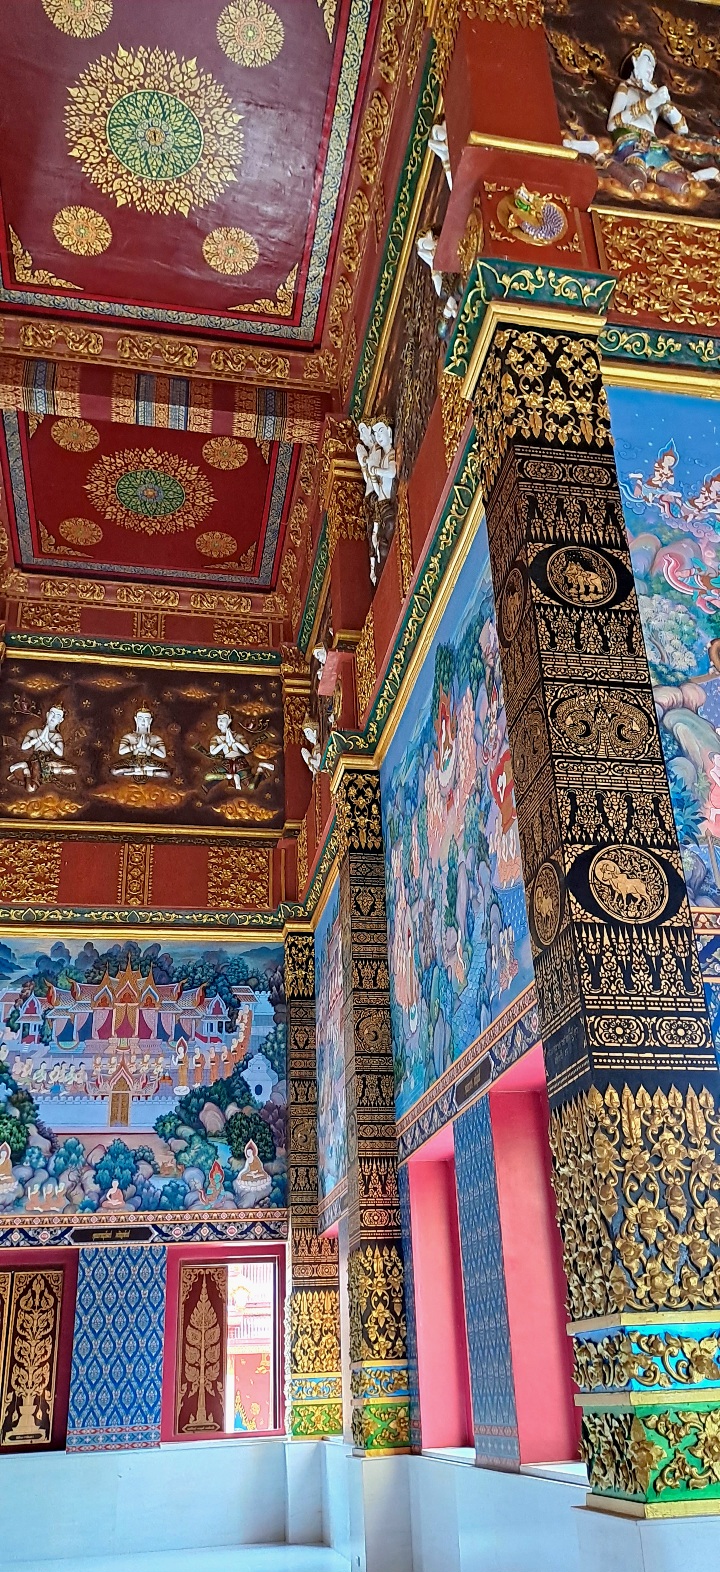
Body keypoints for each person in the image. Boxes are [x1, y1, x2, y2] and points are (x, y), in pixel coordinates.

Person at [9, 705, 76, 792]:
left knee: (73, 770)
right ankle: (25, 767)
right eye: (52, 714)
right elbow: (24, 747)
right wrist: (39, 738)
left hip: (49, 761)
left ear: (61, 720)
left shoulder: (57, 736)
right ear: (47, 714)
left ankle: (48, 771)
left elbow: (60, 753)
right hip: (36, 760)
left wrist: (48, 741)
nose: (53, 717)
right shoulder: (34, 732)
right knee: (31, 788)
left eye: (57, 716)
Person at [113, 706, 169, 778]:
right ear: (136, 719)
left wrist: (147, 747)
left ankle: (137, 771)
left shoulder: (156, 738)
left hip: (149, 762)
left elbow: (163, 755)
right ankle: (142, 771)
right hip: (133, 762)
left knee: (167, 773)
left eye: (146, 719)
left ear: (150, 721)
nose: (143, 721)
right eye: (140, 719)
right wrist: (137, 746)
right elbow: (121, 752)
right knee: (114, 770)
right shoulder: (129, 736)